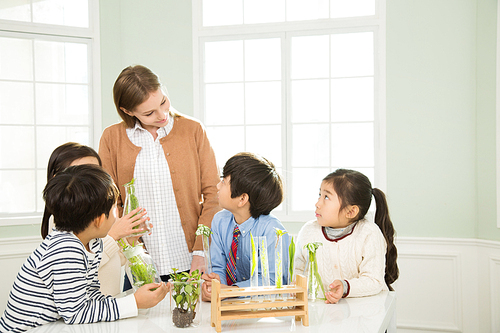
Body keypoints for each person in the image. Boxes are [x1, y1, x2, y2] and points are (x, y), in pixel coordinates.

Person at [0, 165, 168, 333]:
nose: (118, 214)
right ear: (100, 220)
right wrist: (134, 302)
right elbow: (75, 314)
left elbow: (91, 296)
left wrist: (131, 302)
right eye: (114, 209)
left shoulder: (91, 242)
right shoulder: (66, 249)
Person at [99, 65, 220, 283]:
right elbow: (109, 203)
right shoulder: (111, 138)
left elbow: (214, 195)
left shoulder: (193, 130)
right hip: (137, 265)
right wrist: (132, 248)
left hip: (191, 262)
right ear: (127, 110)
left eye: (163, 102)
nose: (162, 115)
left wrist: (201, 251)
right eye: (149, 113)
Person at [40, 142, 150, 296]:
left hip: (108, 306)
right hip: (90, 310)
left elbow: (112, 261)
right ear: (59, 178)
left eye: (95, 171)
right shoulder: (61, 221)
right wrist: (115, 234)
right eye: (82, 172)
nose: (91, 179)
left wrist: (129, 240)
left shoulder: (99, 217)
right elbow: (79, 265)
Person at [293, 169, 399, 304]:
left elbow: (374, 281)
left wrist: (345, 287)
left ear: (351, 211)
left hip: (369, 314)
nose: (317, 203)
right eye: (319, 195)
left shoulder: (368, 233)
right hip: (324, 313)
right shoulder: (308, 231)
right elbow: (299, 271)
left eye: (326, 197)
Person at [201, 152, 289, 301]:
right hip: (230, 306)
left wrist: (231, 291)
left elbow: (272, 281)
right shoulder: (220, 221)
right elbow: (218, 267)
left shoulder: (273, 231)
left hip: (265, 309)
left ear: (242, 198)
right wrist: (215, 285)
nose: (217, 185)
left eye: (223, 181)